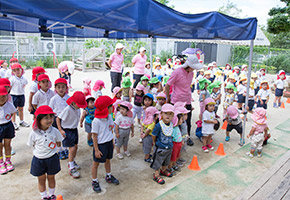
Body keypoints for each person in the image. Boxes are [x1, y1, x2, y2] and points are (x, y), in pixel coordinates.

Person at [165, 55, 203, 146]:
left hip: (187, 100)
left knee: (188, 120)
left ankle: (187, 137)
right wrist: (168, 98)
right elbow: (167, 85)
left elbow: (187, 86)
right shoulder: (177, 72)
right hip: (177, 101)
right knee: (175, 121)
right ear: (189, 66)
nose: (194, 69)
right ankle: (174, 137)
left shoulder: (191, 73)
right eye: (193, 67)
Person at [27, 105, 63, 200]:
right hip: (39, 159)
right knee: (41, 179)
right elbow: (32, 144)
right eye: (46, 118)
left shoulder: (54, 131)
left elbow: (59, 141)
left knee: (51, 177)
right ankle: (44, 197)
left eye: (51, 117)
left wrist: (58, 149)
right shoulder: (34, 133)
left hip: (52, 158)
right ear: (38, 119)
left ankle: (51, 195)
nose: (50, 120)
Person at [91, 96, 119, 193]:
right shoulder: (96, 121)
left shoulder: (109, 116)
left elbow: (110, 130)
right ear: (106, 108)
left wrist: (112, 142)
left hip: (108, 143)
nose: (113, 107)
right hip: (100, 145)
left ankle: (109, 175)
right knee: (96, 163)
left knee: (108, 160)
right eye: (111, 106)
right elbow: (94, 136)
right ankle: (94, 181)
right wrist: (96, 150)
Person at [56, 91, 87, 179]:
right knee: (72, 148)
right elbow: (58, 119)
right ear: (73, 102)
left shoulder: (77, 109)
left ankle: (72, 161)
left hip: (74, 129)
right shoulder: (68, 109)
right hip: (67, 130)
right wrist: (60, 130)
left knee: (75, 147)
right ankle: (71, 167)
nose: (80, 107)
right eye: (79, 105)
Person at [151, 104, 175, 184]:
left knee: (166, 161)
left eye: (170, 114)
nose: (168, 116)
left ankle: (163, 170)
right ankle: (156, 175)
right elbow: (154, 135)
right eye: (166, 113)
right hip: (160, 148)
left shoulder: (171, 124)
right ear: (161, 114)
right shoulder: (158, 125)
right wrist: (154, 142)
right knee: (158, 161)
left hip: (169, 147)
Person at [49, 78, 70, 160]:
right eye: (59, 87)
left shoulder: (68, 98)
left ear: (66, 88)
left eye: (63, 87)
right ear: (55, 88)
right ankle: (59, 150)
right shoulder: (53, 99)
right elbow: (50, 110)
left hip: (65, 119)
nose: (61, 89)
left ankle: (65, 148)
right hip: (56, 119)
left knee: (65, 134)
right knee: (57, 135)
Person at [0, 86, 17, 175]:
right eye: (0, 97)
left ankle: (8, 160)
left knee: (7, 144)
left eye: (4, 96)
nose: (2, 99)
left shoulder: (9, 104)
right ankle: (1, 162)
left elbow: (12, 112)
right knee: (0, 145)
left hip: (7, 125)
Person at [9, 63, 30, 130]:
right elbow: (10, 87)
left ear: (21, 70)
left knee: (21, 108)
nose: (17, 71)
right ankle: (13, 122)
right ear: (13, 72)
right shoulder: (12, 79)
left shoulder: (24, 79)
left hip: (21, 94)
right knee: (14, 110)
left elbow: (25, 85)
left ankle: (21, 121)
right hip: (14, 95)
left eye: (18, 70)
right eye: (15, 70)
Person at [168, 107, 185, 173]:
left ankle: (174, 165)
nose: (182, 121)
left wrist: (181, 141)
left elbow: (179, 135)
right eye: (181, 119)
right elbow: (171, 138)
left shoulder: (177, 127)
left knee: (177, 156)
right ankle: (170, 167)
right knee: (173, 157)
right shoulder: (173, 129)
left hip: (179, 144)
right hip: (174, 145)